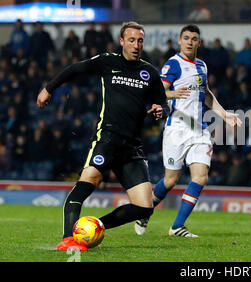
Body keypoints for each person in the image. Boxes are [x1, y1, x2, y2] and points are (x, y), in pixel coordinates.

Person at [36, 21, 169, 251]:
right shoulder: (108, 61)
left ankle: (97, 225)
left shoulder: (150, 73)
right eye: (131, 40)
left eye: (140, 40)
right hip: (108, 139)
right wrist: (49, 88)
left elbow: (163, 104)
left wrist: (161, 110)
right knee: (87, 183)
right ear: (121, 41)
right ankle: (68, 238)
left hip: (132, 147)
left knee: (145, 206)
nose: (136, 45)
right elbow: (74, 69)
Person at [134, 24, 242, 237]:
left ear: (199, 43)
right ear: (180, 41)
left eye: (194, 38)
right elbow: (158, 92)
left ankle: (177, 226)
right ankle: (146, 211)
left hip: (200, 130)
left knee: (201, 177)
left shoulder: (202, 65)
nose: (190, 42)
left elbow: (207, 93)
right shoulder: (173, 64)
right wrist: (174, 94)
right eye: (186, 38)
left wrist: (224, 114)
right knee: (170, 181)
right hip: (177, 130)